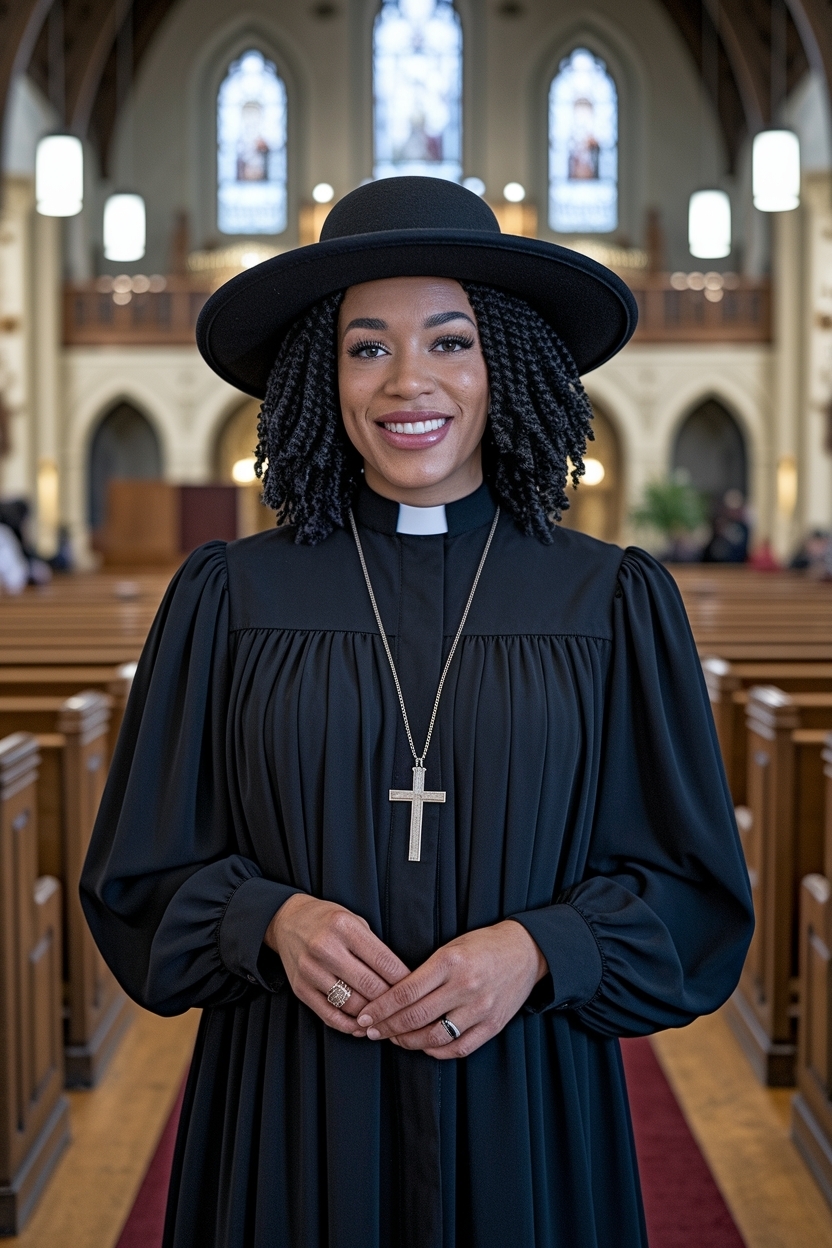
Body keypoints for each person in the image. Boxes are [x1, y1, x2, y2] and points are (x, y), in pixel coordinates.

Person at [81, 177, 753, 1248]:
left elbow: (693, 896)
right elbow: (137, 876)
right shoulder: (231, 598)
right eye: (365, 348)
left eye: (450, 341)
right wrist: (268, 922)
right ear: (319, 372)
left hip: (528, 1094)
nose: (408, 382)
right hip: (288, 1101)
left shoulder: (610, 601)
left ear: (507, 364)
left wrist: (541, 950)